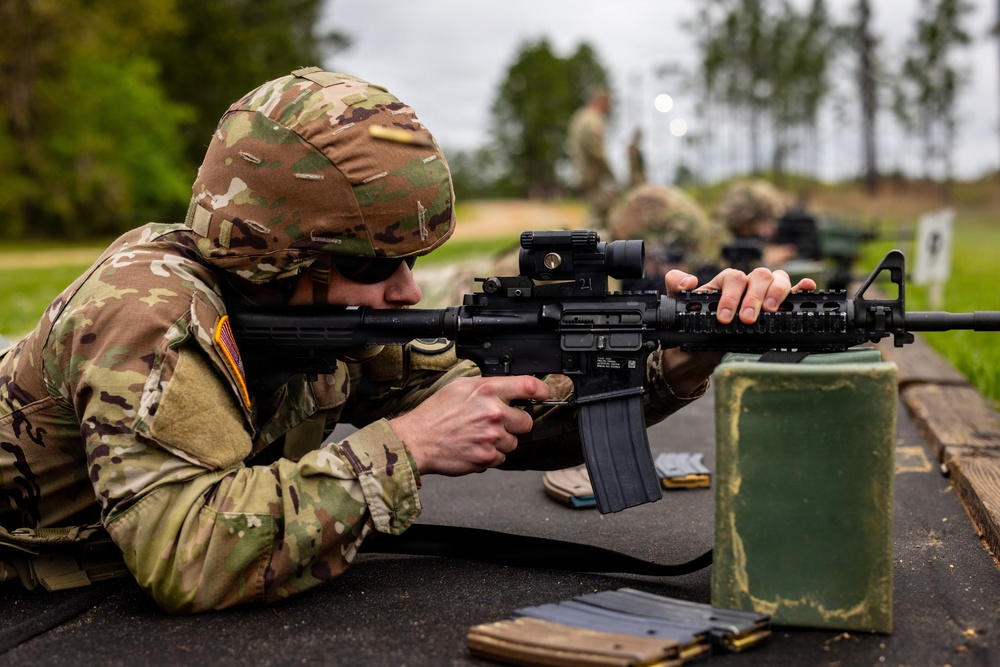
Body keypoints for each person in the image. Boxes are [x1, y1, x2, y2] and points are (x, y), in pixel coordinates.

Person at [0, 68, 814, 613]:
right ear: (279, 253)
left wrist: (671, 360)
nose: (405, 292)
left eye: (413, 263)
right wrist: (404, 448)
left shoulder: (333, 324)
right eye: (377, 266)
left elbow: (504, 415)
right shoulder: (148, 311)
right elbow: (188, 553)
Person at [714, 178, 797, 267]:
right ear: (745, 222)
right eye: (764, 219)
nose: (772, 228)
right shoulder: (722, 243)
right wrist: (762, 260)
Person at [567, 87, 618, 230]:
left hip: (584, 174)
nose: (610, 107)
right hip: (594, 177)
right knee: (597, 219)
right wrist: (611, 175)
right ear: (600, 101)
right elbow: (596, 151)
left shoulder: (580, 117)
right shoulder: (593, 120)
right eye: (609, 103)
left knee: (595, 214)